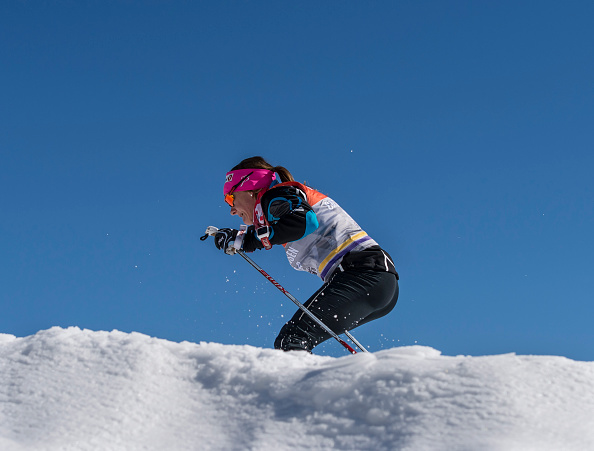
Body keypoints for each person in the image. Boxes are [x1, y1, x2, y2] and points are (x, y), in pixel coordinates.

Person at [213, 156, 399, 352]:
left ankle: (299, 382)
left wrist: (247, 239)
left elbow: (304, 222)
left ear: (250, 187)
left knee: (291, 339)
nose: (232, 210)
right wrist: (244, 239)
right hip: (375, 279)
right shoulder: (277, 206)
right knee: (296, 339)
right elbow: (290, 226)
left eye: (230, 197)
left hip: (364, 273)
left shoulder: (276, 195)